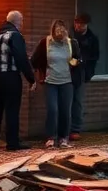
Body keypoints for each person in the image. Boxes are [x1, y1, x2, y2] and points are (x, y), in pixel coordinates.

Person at [0, 10, 35, 151]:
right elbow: (21, 59)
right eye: (22, 21)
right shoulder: (15, 35)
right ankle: (12, 143)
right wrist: (31, 78)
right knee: (12, 109)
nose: (23, 24)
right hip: (10, 77)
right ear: (18, 22)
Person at [30, 19, 82, 149]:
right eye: (57, 31)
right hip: (50, 82)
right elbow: (34, 60)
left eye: (63, 32)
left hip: (67, 82)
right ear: (53, 31)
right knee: (53, 110)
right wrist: (41, 72)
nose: (60, 34)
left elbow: (78, 58)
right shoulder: (45, 43)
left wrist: (74, 63)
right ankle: (51, 138)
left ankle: (64, 138)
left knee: (65, 111)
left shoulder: (72, 43)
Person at [71, 13, 100, 141]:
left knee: (77, 101)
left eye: (81, 24)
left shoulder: (92, 39)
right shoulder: (69, 36)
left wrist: (88, 73)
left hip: (81, 73)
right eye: (76, 23)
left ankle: (75, 129)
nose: (78, 26)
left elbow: (95, 57)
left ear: (86, 25)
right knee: (66, 101)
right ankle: (63, 129)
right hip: (67, 72)